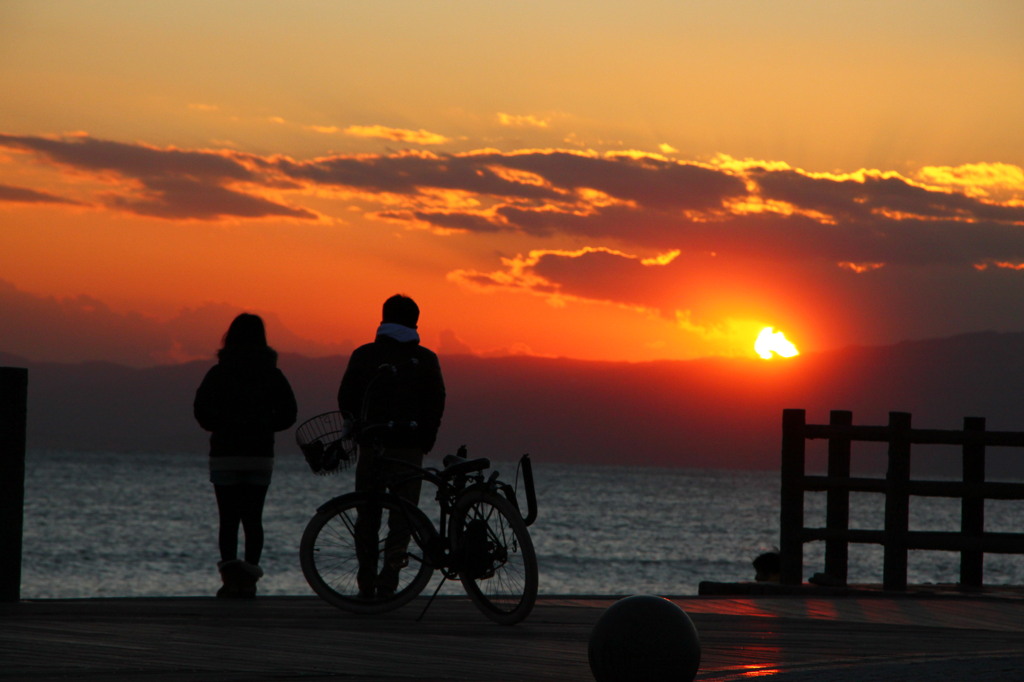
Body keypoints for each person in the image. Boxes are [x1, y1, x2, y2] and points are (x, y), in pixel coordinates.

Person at [337, 294, 446, 599]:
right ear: (416, 321)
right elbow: (436, 401)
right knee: (404, 518)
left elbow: (346, 398)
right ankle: (390, 581)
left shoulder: (364, 355)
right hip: (410, 448)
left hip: (373, 445)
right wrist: (426, 439)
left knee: (367, 516)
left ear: (383, 318)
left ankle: (365, 583)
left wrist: (357, 429)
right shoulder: (425, 359)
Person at [194, 313, 297, 598]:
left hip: (226, 453)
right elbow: (289, 414)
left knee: (228, 520)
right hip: (259, 454)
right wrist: (264, 425)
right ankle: (250, 579)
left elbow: (201, 411)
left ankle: (230, 581)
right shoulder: (272, 374)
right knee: (253, 519)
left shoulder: (219, 373)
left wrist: (223, 424)